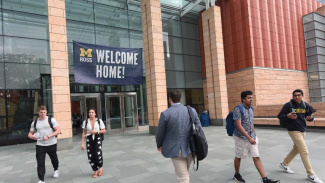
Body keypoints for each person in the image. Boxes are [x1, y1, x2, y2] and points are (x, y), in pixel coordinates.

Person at [277, 89, 324, 183]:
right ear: (293, 96)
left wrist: (310, 118)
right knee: (304, 151)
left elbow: (309, 116)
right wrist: (287, 116)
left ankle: (284, 163)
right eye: (295, 95)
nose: (297, 97)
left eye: (299, 95)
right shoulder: (288, 105)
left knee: (297, 148)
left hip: (302, 130)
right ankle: (311, 175)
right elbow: (279, 116)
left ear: (302, 96)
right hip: (293, 130)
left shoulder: (305, 105)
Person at [155, 89, 202, 183]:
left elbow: (159, 133)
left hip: (176, 150)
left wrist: (159, 144)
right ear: (180, 99)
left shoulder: (166, 114)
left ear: (170, 99)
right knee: (184, 173)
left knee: (183, 177)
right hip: (191, 148)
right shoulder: (191, 110)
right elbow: (199, 128)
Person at [233, 91, 279, 183]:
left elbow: (251, 122)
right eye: (249, 98)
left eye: (252, 97)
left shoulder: (251, 109)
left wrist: (253, 134)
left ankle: (265, 179)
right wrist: (248, 138)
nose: (251, 99)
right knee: (239, 156)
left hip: (252, 137)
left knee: (256, 156)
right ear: (243, 99)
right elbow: (239, 125)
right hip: (241, 138)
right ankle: (237, 174)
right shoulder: (238, 109)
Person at [28, 105, 61, 183]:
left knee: (54, 159)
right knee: (40, 162)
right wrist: (32, 137)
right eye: (41, 112)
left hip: (51, 143)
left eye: (44, 112)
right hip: (40, 145)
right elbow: (30, 133)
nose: (43, 114)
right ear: (38, 112)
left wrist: (49, 136)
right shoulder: (35, 122)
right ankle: (41, 179)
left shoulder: (51, 120)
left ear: (46, 112)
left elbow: (58, 130)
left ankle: (56, 169)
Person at [81, 108, 106, 178]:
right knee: (90, 155)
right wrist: (82, 143)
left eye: (92, 112)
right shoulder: (85, 122)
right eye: (89, 112)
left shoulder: (99, 121)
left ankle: (100, 167)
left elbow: (104, 130)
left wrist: (97, 132)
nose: (91, 113)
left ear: (95, 113)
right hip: (89, 139)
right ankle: (95, 170)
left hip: (97, 137)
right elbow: (84, 132)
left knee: (97, 153)